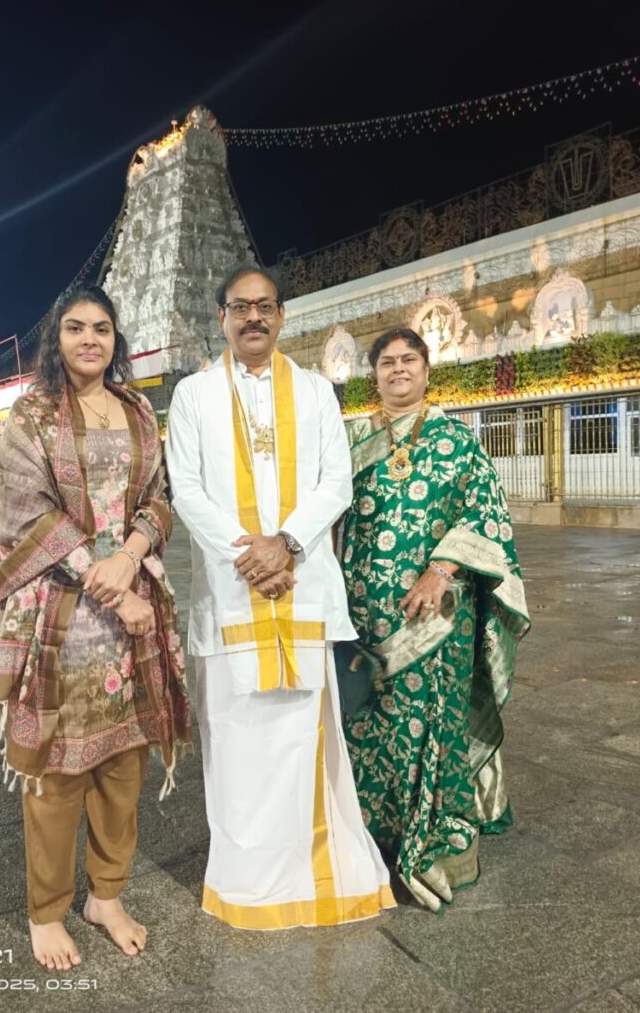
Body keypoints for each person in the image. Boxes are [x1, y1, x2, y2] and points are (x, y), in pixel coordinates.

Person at [165, 266, 394, 929]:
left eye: (264, 307)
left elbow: (336, 483)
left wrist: (284, 544)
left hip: (298, 589)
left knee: (301, 738)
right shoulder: (193, 396)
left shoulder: (317, 391)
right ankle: (242, 879)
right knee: (235, 741)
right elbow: (186, 490)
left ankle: (315, 873)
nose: (253, 318)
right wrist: (251, 554)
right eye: (240, 307)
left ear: (282, 316)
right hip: (233, 596)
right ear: (222, 318)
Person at [0, 284, 190, 967]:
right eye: (74, 327)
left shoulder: (137, 411)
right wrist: (105, 578)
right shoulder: (30, 415)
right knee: (57, 773)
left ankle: (106, 894)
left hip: (130, 612)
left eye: (100, 328)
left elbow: (159, 496)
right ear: (57, 339)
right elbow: (24, 513)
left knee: (124, 762)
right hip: (60, 615)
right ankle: (45, 911)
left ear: (115, 338)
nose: (89, 339)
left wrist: (129, 558)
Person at [341, 328, 529, 912]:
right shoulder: (352, 440)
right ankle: (373, 842)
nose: (398, 370)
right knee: (368, 724)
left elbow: (485, 513)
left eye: (409, 361)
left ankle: (436, 842)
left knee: (429, 722)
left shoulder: (457, 440)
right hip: (364, 613)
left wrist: (440, 570)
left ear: (426, 370)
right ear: (374, 374)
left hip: (436, 614)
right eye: (388, 362)